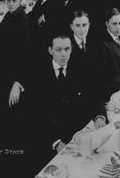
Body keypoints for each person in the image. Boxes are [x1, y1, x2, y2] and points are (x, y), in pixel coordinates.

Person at [36, 36, 107, 167]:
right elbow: (38, 115)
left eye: (67, 49)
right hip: (54, 136)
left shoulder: (82, 67)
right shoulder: (39, 75)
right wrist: (56, 142)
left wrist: (100, 117)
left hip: (82, 132)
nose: (63, 54)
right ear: (50, 50)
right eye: (58, 50)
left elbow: (95, 95)